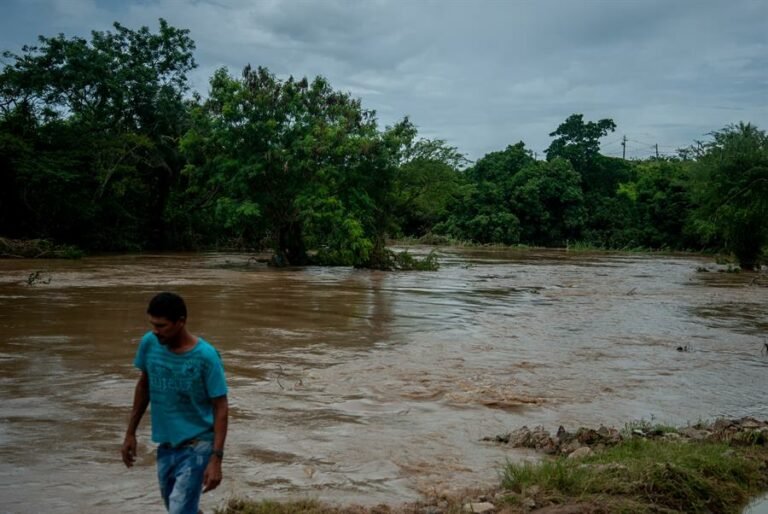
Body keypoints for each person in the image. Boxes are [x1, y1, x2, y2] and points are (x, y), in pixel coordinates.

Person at [121, 292, 228, 514]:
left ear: (181, 322)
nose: (155, 331)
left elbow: (221, 407)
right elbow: (144, 386)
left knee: (179, 509)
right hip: (166, 445)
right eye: (153, 324)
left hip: (198, 445)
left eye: (162, 326)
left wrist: (216, 459)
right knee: (178, 506)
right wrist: (130, 433)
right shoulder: (149, 344)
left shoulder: (206, 357)